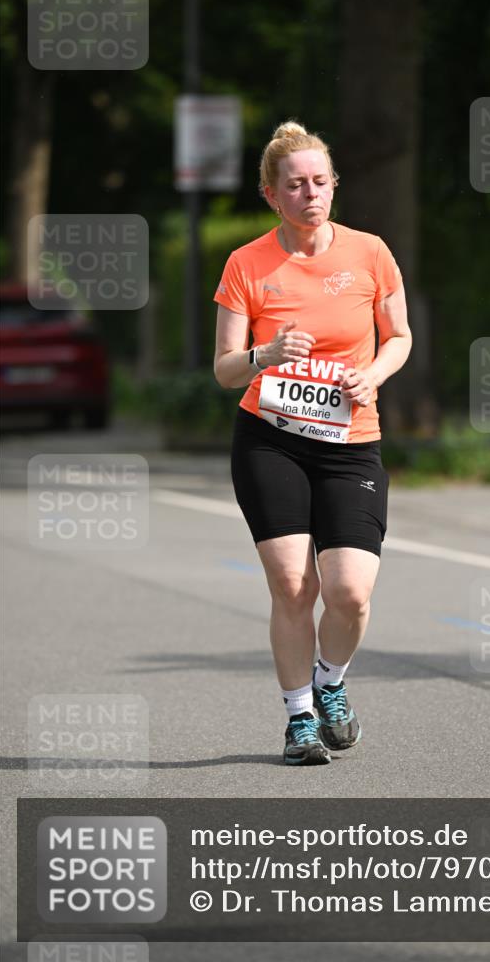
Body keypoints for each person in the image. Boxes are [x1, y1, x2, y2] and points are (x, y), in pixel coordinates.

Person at [213, 121, 412, 766]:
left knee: (351, 592)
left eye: (320, 181)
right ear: (272, 194)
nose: (310, 193)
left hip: (350, 440)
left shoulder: (369, 253)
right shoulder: (247, 264)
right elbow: (224, 369)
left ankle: (330, 681)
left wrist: (371, 374)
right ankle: (299, 717)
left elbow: (399, 336)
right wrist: (266, 352)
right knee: (294, 585)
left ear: (334, 186)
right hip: (270, 439)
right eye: (295, 184)